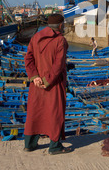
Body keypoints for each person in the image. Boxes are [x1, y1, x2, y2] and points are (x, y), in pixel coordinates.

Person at [23, 14, 72, 155]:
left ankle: (29, 144)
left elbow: (28, 59)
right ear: (61, 25)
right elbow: (58, 66)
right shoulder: (60, 41)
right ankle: (55, 146)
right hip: (53, 84)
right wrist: (47, 81)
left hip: (36, 84)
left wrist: (35, 77)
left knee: (34, 113)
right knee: (55, 113)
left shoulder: (36, 37)